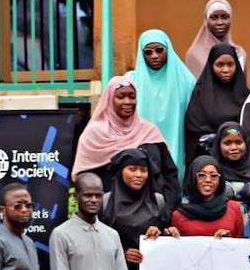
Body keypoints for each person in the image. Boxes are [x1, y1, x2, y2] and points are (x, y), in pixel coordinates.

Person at [74, 77, 180, 207]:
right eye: (121, 97)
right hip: (111, 211)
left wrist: (169, 208)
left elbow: (169, 174)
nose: (128, 102)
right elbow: (85, 179)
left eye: (132, 97)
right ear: (109, 99)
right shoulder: (94, 134)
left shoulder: (148, 131)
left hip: (152, 210)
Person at [128, 29, 196, 181]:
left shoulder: (186, 81)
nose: (154, 56)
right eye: (148, 52)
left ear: (168, 50)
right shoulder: (132, 81)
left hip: (177, 146)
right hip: (140, 150)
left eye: (159, 50)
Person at [184, 44, 250, 168]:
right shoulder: (200, 94)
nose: (226, 70)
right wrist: (220, 142)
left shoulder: (245, 95)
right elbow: (194, 128)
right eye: (220, 65)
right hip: (208, 163)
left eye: (230, 64)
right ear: (211, 65)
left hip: (241, 161)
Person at [185, 0, 246, 79]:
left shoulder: (240, 53)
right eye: (214, 17)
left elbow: (244, 85)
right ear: (206, 21)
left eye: (225, 17)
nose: (220, 22)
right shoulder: (194, 55)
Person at [211, 121, 250, 213]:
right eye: (227, 143)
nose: (234, 147)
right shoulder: (211, 173)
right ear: (218, 145)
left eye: (238, 142)